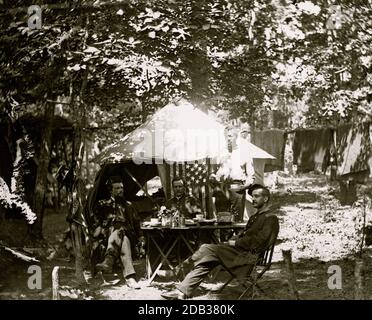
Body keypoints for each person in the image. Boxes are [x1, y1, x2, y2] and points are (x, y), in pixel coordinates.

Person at [161, 184, 279, 299]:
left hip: (249, 257)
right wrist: (235, 239)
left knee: (206, 248)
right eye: (252, 196)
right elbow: (246, 235)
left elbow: (260, 241)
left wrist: (236, 243)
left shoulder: (270, 218)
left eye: (256, 196)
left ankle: (180, 269)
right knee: (207, 260)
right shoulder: (255, 216)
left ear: (265, 198)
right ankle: (181, 292)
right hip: (240, 252)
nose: (253, 199)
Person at [94, 176, 144, 289]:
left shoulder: (129, 205)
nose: (120, 190)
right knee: (123, 239)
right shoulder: (103, 204)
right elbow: (98, 224)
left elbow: (136, 224)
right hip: (107, 236)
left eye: (121, 188)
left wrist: (141, 237)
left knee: (122, 233)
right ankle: (130, 278)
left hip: (127, 233)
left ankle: (108, 260)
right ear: (111, 190)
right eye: (116, 188)